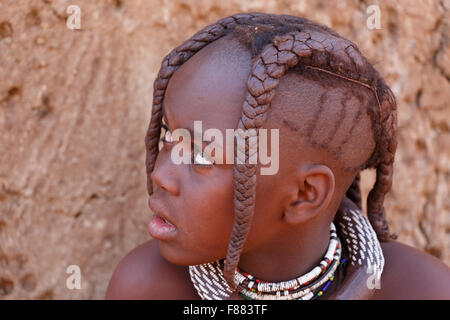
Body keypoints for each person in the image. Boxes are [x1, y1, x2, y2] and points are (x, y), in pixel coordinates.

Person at [106, 13, 450, 300]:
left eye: (201, 156)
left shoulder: (422, 290)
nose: (161, 175)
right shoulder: (147, 287)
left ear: (304, 194)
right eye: (169, 136)